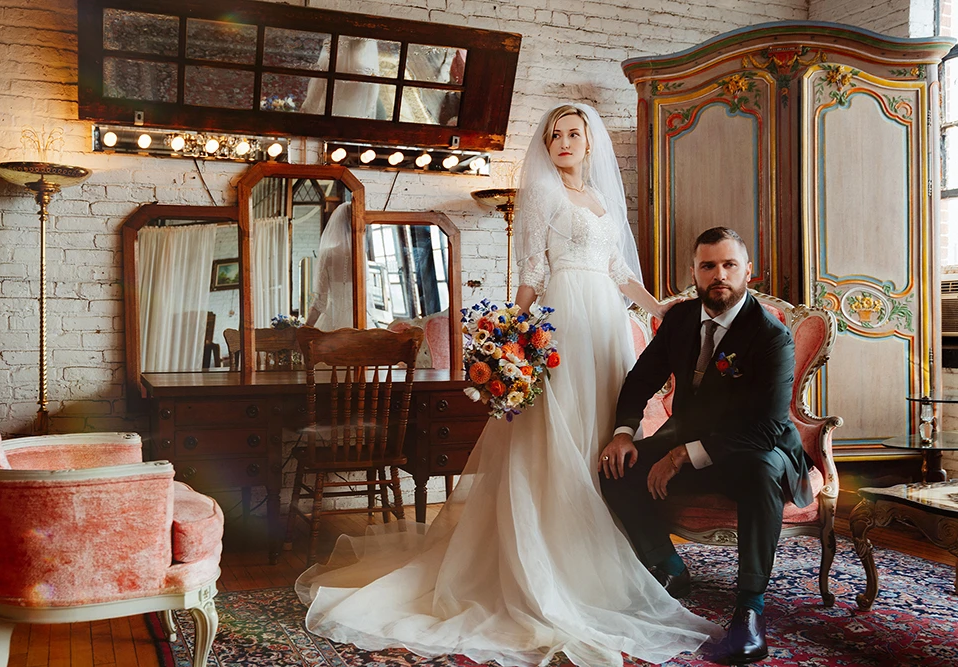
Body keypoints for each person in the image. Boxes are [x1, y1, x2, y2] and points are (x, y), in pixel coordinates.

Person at [294, 103, 721, 667]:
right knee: (559, 440)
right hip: (564, 319)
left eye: (573, 133)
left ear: (590, 143)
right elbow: (533, 275)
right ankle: (556, 561)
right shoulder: (544, 196)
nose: (563, 142)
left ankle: (617, 548)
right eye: (553, 135)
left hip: (607, 326)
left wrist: (657, 308)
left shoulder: (599, 200)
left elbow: (620, 273)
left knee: (605, 432)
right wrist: (508, 335)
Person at [600, 227, 812, 665]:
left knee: (760, 471)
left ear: (747, 272)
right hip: (692, 441)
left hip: (756, 450)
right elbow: (642, 377)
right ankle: (670, 568)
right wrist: (624, 432)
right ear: (694, 273)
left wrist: (682, 456)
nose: (719, 275)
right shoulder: (679, 318)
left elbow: (767, 426)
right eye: (708, 266)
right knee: (614, 469)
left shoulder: (770, 337)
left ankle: (750, 609)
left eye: (729, 265)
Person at [305, 202, 354, 331]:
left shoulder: (327, 255)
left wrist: (307, 327)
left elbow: (321, 302)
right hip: (358, 322)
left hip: (332, 323)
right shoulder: (361, 255)